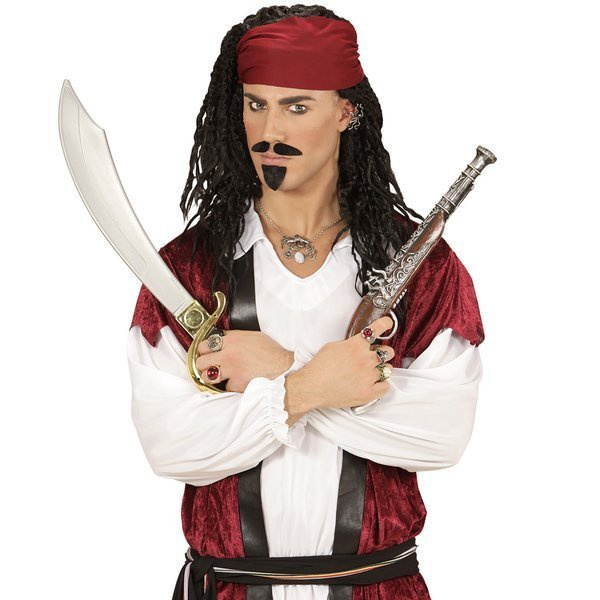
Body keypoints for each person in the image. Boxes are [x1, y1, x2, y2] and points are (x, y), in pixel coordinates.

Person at [126, 6, 485, 600]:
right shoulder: (185, 271)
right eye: (256, 104)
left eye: (297, 107)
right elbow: (172, 445)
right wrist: (314, 387)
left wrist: (278, 372)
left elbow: (440, 434)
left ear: (346, 112)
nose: (270, 130)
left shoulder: (424, 269)